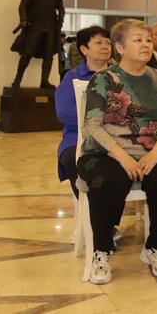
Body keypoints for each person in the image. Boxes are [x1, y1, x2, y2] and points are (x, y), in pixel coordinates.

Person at [77, 19, 157, 284]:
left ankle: (156, 247)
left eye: (148, 40)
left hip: (150, 150)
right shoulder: (103, 79)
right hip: (106, 152)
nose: (146, 44)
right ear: (120, 47)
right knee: (107, 179)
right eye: (138, 40)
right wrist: (122, 157)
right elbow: (91, 125)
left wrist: (156, 153)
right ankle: (102, 250)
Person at [55, 26, 112, 198]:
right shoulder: (72, 77)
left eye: (108, 42)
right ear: (84, 49)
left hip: (117, 134)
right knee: (71, 157)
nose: (105, 46)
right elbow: (65, 113)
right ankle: (86, 205)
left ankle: (106, 206)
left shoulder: (120, 74)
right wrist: (99, 124)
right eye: (99, 43)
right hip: (79, 135)